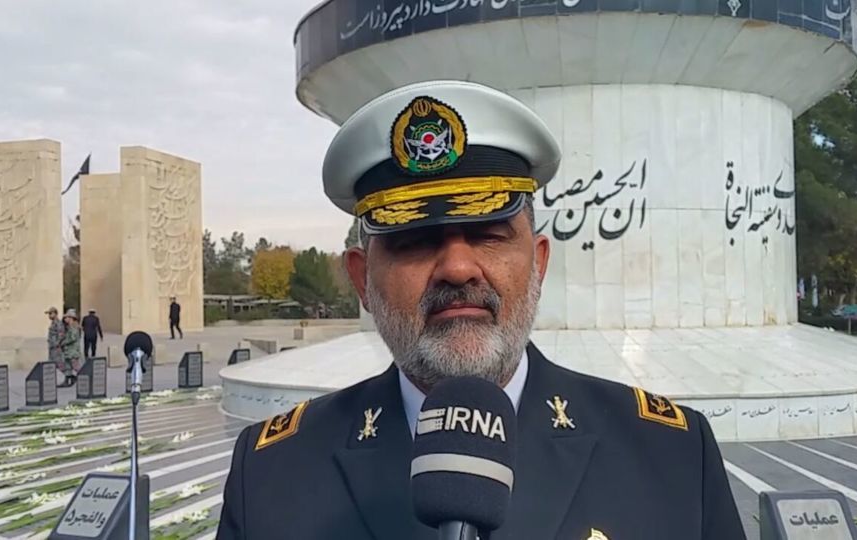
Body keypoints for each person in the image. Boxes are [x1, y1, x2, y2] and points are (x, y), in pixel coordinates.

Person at [217, 81, 745, 539]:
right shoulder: (271, 473)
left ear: (538, 263)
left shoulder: (672, 457)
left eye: (489, 234)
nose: (458, 268)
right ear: (362, 280)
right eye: (415, 241)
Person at [60, 309, 83, 387]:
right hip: (68, 351)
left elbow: (72, 338)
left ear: (71, 318)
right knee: (67, 367)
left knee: (76, 367)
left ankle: (85, 378)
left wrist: (63, 342)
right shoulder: (69, 327)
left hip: (73, 351)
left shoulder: (74, 327)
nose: (65, 319)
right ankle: (67, 381)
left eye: (66, 317)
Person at [45, 307, 67, 386]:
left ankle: (69, 377)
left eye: (50, 313)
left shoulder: (58, 323)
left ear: (55, 313)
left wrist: (57, 344)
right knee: (51, 364)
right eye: (49, 314)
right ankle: (50, 381)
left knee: (59, 364)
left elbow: (61, 334)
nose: (49, 315)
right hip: (52, 347)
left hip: (56, 348)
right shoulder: (53, 323)